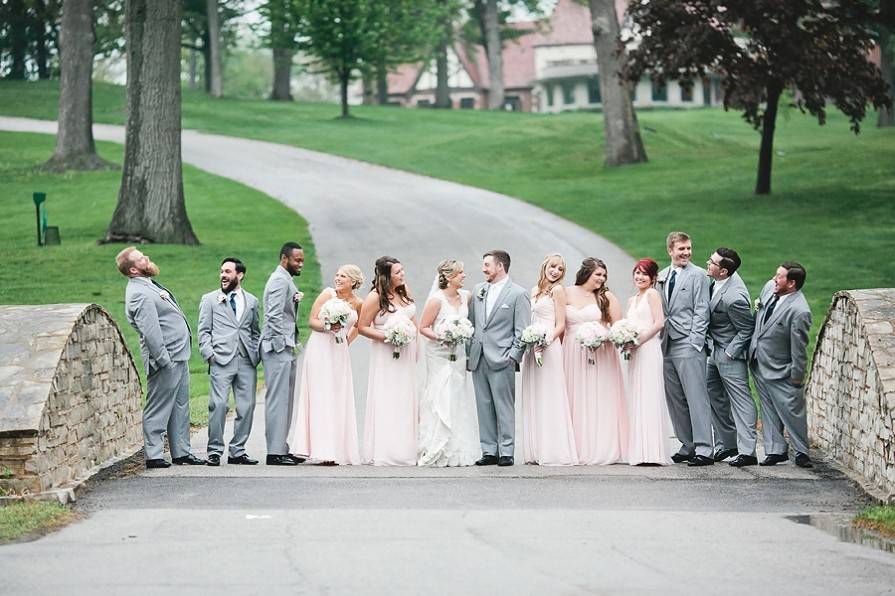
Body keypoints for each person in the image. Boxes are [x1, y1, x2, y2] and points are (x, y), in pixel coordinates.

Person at [117, 247, 205, 469]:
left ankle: (182, 452)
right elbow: (151, 331)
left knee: (180, 405)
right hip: (165, 358)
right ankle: (154, 455)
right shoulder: (138, 293)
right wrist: (164, 359)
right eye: (141, 258)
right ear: (134, 269)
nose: (147, 257)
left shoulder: (148, 284)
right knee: (158, 406)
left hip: (179, 354)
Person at [287, 265, 364, 465]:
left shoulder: (358, 303)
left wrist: (348, 339)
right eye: (337, 274)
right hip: (320, 349)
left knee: (338, 395)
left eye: (343, 276)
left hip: (339, 352)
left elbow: (360, 325)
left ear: (353, 282)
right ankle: (320, 449)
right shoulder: (327, 294)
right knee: (321, 395)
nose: (337, 278)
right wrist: (330, 326)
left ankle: (337, 448)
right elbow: (312, 322)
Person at [467, 250, 530, 467]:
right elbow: (471, 323)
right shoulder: (478, 290)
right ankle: (488, 451)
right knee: (483, 405)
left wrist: (513, 357)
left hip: (503, 359)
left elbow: (522, 330)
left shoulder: (518, 294)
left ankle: (506, 451)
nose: (483, 269)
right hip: (479, 358)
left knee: (504, 406)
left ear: (500, 266)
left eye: (487, 265)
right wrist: (470, 351)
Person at [417, 260, 482, 467]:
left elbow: (470, 321)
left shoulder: (466, 296)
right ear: (449, 277)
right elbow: (424, 327)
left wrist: (460, 335)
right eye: (460, 273)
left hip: (459, 354)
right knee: (440, 394)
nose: (464, 275)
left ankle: (458, 447)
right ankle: (436, 445)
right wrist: (441, 337)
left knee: (457, 395)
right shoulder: (436, 300)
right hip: (439, 353)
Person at [197, 257, 261, 467]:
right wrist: (210, 354)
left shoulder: (251, 301)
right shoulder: (209, 299)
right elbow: (204, 331)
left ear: (239, 275)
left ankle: (237, 451)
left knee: (247, 406)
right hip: (221, 359)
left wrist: (255, 354)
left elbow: (254, 331)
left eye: (227, 272)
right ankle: (214, 451)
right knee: (219, 405)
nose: (223, 275)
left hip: (246, 361)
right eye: (221, 272)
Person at [749, 261, 813, 468]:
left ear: (792, 283)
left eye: (779, 277)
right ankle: (775, 450)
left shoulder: (799, 310)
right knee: (767, 409)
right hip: (759, 361)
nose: (774, 279)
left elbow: (799, 347)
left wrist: (796, 376)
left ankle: (802, 451)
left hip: (782, 369)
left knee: (792, 411)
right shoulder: (770, 288)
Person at [563, 257, 627, 465]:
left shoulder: (606, 297)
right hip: (571, 353)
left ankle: (601, 446)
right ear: (586, 273)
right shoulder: (567, 292)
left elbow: (618, 329)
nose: (602, 278)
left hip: (600, 353)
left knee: (598, 397)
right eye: (598, 274)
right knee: (574, 397)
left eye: (604, 275)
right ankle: (576, 447)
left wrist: (600, 336)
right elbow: (560, 324)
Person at [657, 231, 714, 466]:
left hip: (689, 344)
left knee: (696, 396)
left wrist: (695, 341)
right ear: (670, 250)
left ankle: (704, 449)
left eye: (689, 248)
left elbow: (702, 310)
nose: (686, 253)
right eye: (681, 249)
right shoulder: (661, 276)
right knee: (675, 398)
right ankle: (687, 444)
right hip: (666, 344)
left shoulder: (699, 275)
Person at [358, 256, 418, 466]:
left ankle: (406, 449)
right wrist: (388, 336)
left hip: (406, 353)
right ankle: (387, 449)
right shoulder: (375, 297)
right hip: (385, 354)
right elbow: (362, 327)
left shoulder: (405, 291)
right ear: (386, 276)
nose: (402, 275)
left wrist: (414, 345)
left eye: (402, 270)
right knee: (388, 397)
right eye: (397, 272)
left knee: (405, 398)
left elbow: (413, 321)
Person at [521, 254, 578, 466]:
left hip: (549, 347)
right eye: (553, 266)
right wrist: (531, 339)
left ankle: (554, 450)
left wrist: (545, 341)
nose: (555, 271)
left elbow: (561, 324)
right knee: (535, 394)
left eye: (560, 269)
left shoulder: (558, 291)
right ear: (545, 265)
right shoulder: (535, 291)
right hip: (532, 347)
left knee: (549, 394)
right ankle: (536, 449)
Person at [705, 248, 757, 467]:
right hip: (713, 351)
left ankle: (748, 452)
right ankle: (728, 444)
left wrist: (729, 352)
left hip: (729, 354)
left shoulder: (734, 297)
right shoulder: (718, 281)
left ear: (724, 271)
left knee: (740, 399)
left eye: (712, 262)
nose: (708, 263)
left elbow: (747, 329)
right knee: (713, 393)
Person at [260, 241, 306, 466]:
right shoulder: (279, 280)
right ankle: (274, 452)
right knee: (278, 400)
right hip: (278, 349)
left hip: (285, 348)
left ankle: (282, 447)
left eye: (303, 261)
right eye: (297, 260)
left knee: (285, 401)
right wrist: (282, 346)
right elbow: (273, 316)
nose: (301, 264)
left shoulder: (285, 279)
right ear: (284, 259)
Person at [625, 258, 674, 466]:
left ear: (653, 278)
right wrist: (626, 340)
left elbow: (659, 323)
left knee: (649, 396)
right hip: (634, 353)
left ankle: (652, 452)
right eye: (637, 272)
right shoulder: (631, 300)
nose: (639, 277)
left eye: (644, 274)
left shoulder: (652, 294)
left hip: (649, 349)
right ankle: (639, 451)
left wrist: (638, 340)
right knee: (636, 397)